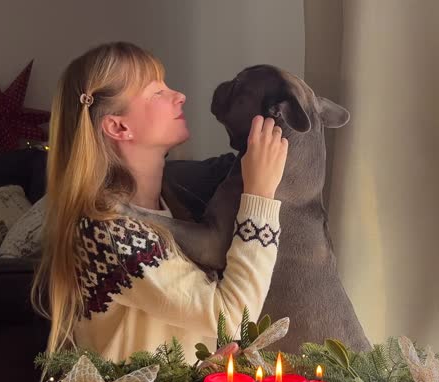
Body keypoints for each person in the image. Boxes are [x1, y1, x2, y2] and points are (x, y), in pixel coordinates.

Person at [31, 41, 288, 363]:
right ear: (118, 126)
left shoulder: (174, 208)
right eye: (156, 92)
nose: (179, 96)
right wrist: (260, 196)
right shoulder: (106, 231)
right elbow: (232, 318)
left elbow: (184, 328)